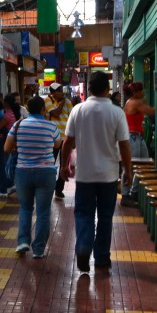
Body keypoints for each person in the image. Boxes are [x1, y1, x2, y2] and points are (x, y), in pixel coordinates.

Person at [59, 71, 131, 272]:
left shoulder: (78, 110)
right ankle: (101, 258)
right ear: (108, 89)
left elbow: (68, 142)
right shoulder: (117, 113)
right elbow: (124, 146)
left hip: (85, 175)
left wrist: (64, 166)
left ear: (89, 88)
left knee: (84, 213)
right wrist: (128, 171)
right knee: (106, 217)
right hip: (109, 176)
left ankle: (83, 247)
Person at [4, 96, 62, 258]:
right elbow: (58, 145)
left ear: (28, 110)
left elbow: (7, 148)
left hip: (23, 172)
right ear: (43, 110)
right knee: (43, 211)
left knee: (25, 208)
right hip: (46, 173)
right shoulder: (51, 126)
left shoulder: (18, 125)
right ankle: (39, 249)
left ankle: (23, 241)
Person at [121, 81, 153, 207]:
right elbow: (151, 111)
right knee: (130, 167)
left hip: (138, 138)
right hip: (132, 139)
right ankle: (125, 195)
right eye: (142, 90)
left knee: (143, 165)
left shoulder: (133, 102)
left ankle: (134, 192)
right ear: (137, 92)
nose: (144, 92)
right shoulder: (134, 103)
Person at [45, 82, 73, 199]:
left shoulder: (68, 102)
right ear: (53, 93)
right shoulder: (48, 100)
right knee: (50, 164)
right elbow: (55, 113)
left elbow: (71, 116)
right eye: (59, 91)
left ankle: (58, 189)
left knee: (64, 164)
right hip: (53, 137)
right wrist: (61, 103)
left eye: (62, 90)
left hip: (65, 137)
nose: (62, 93)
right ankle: (48, 187)